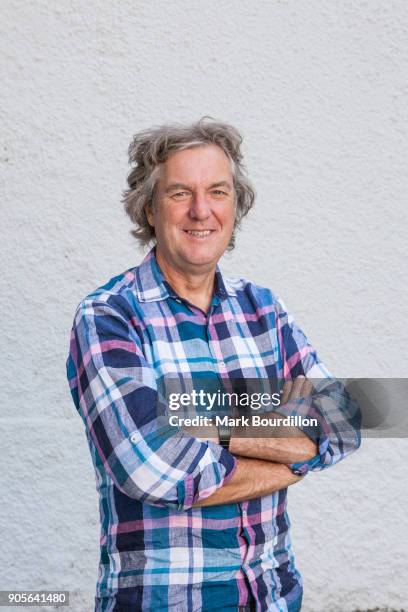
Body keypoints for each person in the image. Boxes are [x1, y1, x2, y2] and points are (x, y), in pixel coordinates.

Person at [66, 118, 361, 612]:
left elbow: (345, 420)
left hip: (275, 597)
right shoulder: (110, 316)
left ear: (235, 205)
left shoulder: (263, 310)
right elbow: (149, 466)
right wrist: (290, 454)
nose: (201, 211)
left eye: (218, 192)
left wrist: (201, 426)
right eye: (181, 192)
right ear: (150, 207)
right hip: (164, 601)